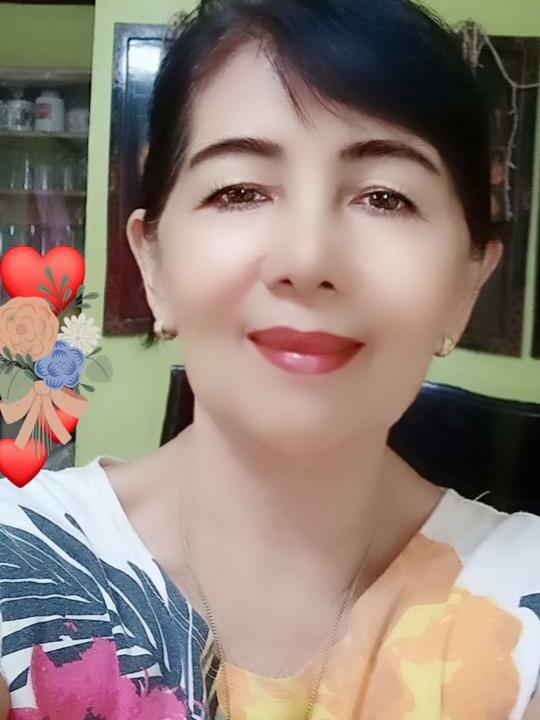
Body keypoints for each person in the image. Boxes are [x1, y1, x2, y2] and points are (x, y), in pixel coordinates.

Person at [0, 0, 539, 718]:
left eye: (385, 197)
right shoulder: (17, 559)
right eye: (240, 191)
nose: (307, 260)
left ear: (468, 282)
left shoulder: (522, 604)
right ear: (152, 264)